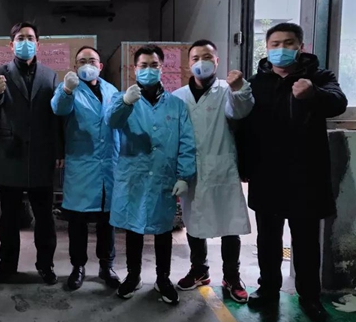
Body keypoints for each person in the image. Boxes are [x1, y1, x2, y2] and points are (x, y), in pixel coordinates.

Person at [238, 22, 347, 322]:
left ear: (301, 47)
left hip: (306, 175)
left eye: (288, 43)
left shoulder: (319, 77)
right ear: (267, 48)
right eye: (275, 44)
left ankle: (309, 297)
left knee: (306, 241)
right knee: (268, 239)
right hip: (267, 174)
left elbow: (338, 103)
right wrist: (244, 167)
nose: (281, 49)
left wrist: (313, 94)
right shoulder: (256, 83)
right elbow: (245, 128)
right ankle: (268, 289)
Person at [106, 45, 196, 303]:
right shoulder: (124, 99)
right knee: (134, 229)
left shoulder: (176, 105)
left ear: (161, 68)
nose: (148, 70)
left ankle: (162, 279)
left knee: (163, 230)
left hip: (163, 176)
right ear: (135, 69)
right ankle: (133, 276)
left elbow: (187, 142)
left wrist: (184, 175)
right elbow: (111, 122)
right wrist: (125, 103)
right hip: (134, 176)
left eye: (153, 65)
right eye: (143, 65)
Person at [172, 39, 253, 303]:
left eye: (207, 57)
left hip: (221, 167)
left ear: (217, 61)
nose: (201, 62)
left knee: (229, 223)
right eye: (195, 58)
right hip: (191, 170)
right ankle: (199, 270)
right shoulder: (178, 96)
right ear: (188, 64)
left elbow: (241, 110)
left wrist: (240, 88)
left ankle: (232, 277)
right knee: (194, 223)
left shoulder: (228, 91)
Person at [0, 22, 62, 285]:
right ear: (11, 44)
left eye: (30, 38)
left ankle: (46, 266)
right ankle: (7, 266)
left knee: (45, 217)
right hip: (10, 153)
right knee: (9, 218)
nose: (25, 42)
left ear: (38, 44)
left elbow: (55, 116)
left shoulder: (50, 75)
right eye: (20, 38)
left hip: (41, 155)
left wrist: (58, 150)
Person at [51, 46, 120, 290]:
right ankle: (78, 267)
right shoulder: (69, 88)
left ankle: (106, 266)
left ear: (100, 66)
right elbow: (58, 108)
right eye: (82, 61)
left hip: (108, 166)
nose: (87, 65)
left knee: (107, 221)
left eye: (92, 61)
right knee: (78, 222)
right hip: (82, 165)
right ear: (75, 66)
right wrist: (67, 90)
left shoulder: (111, 90)